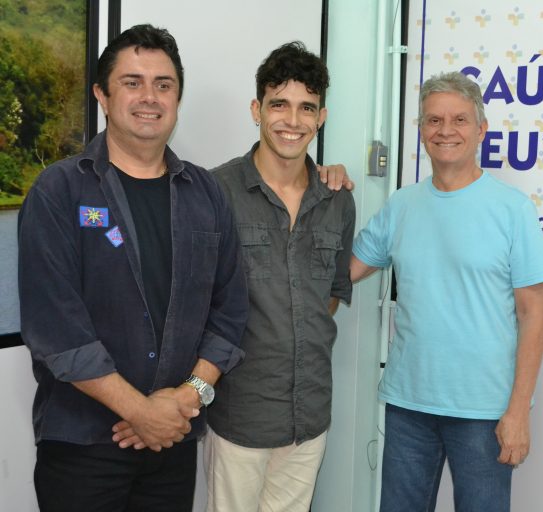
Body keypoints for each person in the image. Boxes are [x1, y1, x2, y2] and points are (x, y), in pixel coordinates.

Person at [17, 24, 250, 512]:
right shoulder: (59, 192)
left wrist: (188, 398)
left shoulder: (206, 194)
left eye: (163, 84)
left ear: (177, 98)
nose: (150, 97)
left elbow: (229, 313)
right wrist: (141, 412)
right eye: (132, 82)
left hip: (172, 443)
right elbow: (59, 333)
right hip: (83, 446)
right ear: (102, 95)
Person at [351, 71, 543, 512]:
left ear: (481, 129)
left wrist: (518, 412)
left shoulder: (512, 210)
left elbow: (533, 315)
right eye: (434, 120)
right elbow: (344, 271)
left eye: (460, 120)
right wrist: (316, 182)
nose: (446, 130)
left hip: (484, 411)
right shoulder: (402, 204)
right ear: (421, 130)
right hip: (408, 404)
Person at [204, 42, 355, 512]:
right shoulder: (216, 191)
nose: (293, 120)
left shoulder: (337, 199)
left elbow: (331, 293)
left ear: (321, 117)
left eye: (306, 107)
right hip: (240, 414)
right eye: (279, 104)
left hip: (309, 415)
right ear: (257, 110)